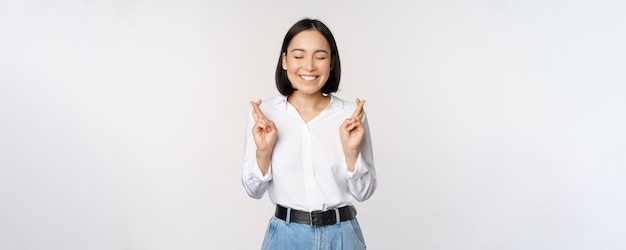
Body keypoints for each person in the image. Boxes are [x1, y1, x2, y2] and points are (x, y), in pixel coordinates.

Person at [242, 18, 377, 250]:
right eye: (298, 56)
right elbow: (253, 191)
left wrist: (352, 154)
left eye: (320, 56)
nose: (309, 66)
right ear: (284, 61)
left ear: (332, 63)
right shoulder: (265, 114)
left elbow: (364, 193)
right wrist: (263, 152)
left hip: (343, 236)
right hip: (285, 237)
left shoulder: (350, 116)